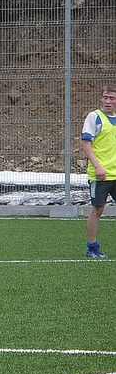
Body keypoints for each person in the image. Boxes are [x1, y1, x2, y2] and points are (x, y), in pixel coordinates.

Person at [80, 84, 116, 259]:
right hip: (101, 174)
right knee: (98, 209)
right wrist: (97, 166)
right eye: (105, 97)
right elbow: (86, 143)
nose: (108, 101)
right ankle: (92, 248)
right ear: (101, 99)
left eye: (112, 98)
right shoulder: (94, 117)